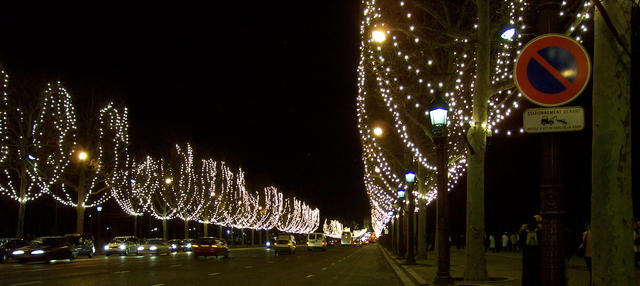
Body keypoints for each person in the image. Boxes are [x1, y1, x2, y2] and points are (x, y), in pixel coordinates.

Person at [520, 216, 541, 286]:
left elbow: (521, 243)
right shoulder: (536, 231)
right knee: (531, 271)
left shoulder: (538, 231)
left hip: (532, 253)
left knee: (531, 271)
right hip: (531, 253)